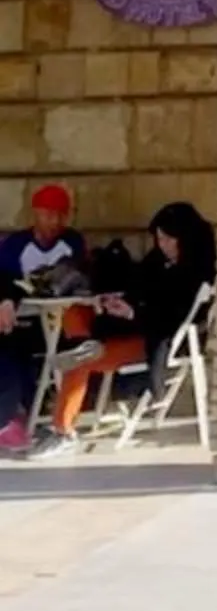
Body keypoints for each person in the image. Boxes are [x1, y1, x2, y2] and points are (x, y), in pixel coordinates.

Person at [43, 202, 217, 454]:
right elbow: (137, 288)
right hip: (121, 329)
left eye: (169, 239)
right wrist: (118, 303)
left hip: (154, 340)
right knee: (75, 312)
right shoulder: (156, 261)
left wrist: (134, 313)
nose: (163, 245)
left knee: (78, 363)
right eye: (159, 239)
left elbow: (171, 318)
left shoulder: (196, 271)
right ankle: (85, 345)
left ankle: (63, 430)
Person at [0, 184, 89, 455]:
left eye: (60, 215)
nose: (54, 222)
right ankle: (10, 417)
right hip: (22, 321)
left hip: (60, 324)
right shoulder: (16, 245)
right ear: (35, 214)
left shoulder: (72, 242)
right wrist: (5, 300)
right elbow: (3, 278)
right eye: (48, 215)